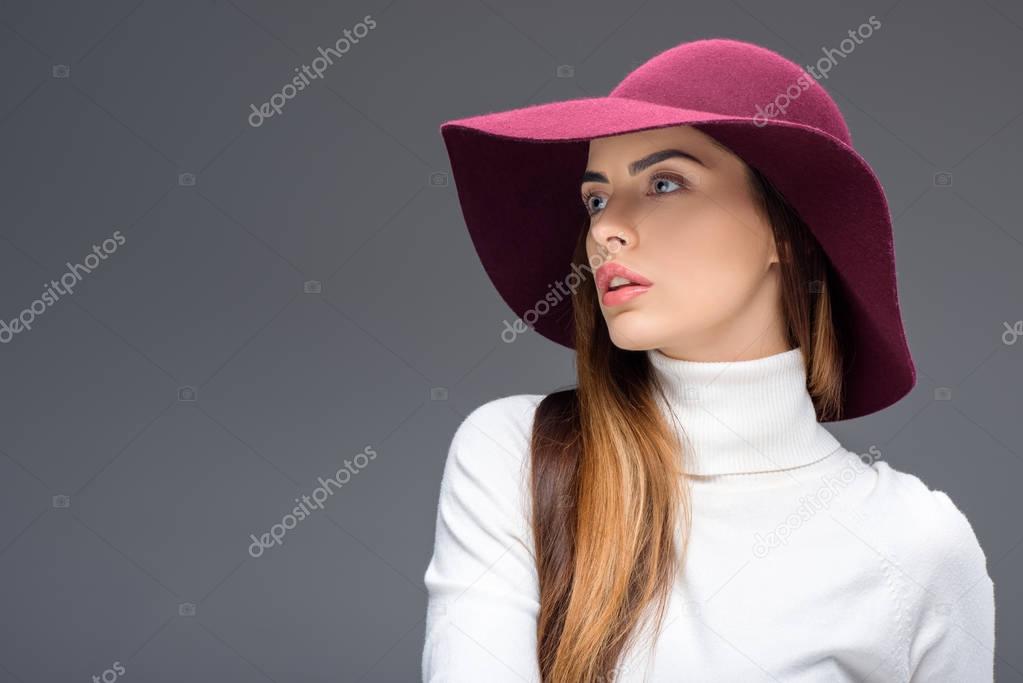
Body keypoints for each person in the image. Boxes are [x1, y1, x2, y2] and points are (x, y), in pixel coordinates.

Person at [422, 38, 995, 682]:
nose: (606, 230)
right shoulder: (515, 454)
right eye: (596, 198)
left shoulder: (916, 542)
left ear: (785, 228)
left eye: (664, 182)